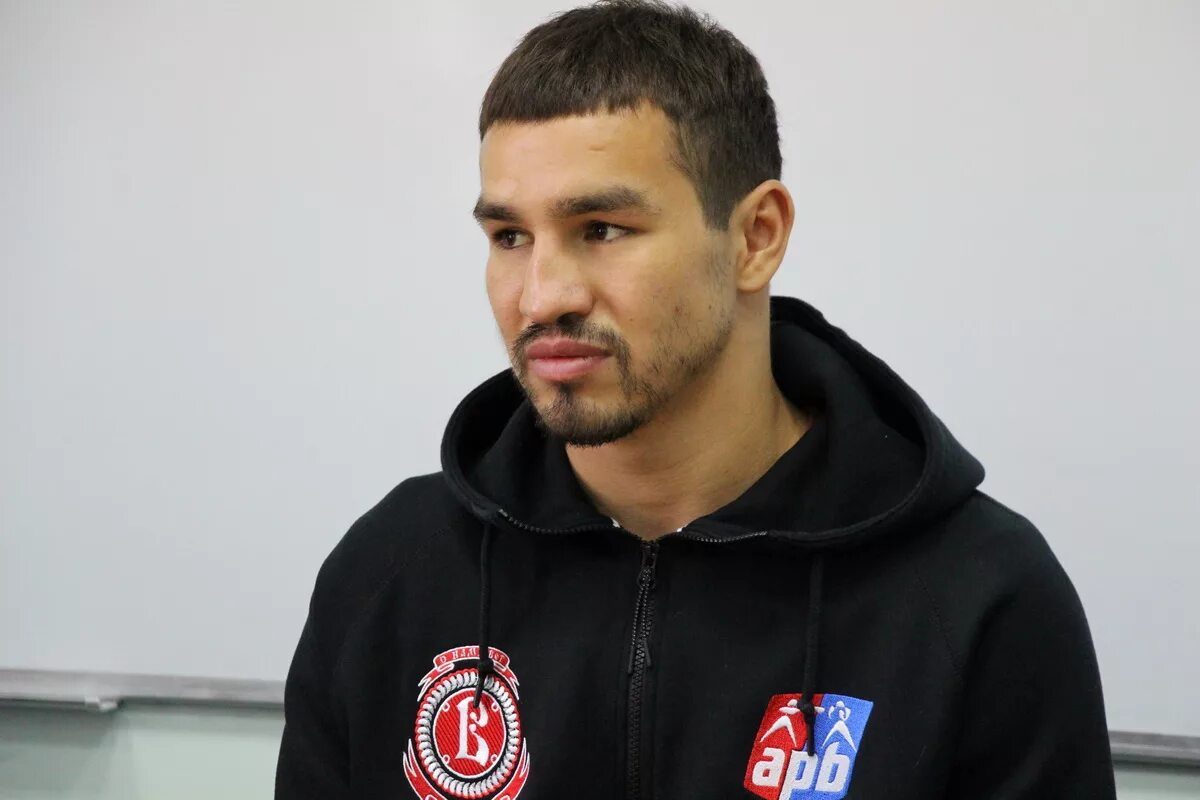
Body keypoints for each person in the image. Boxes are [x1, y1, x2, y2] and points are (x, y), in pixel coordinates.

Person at [275, 1, 1117, 798]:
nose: (541, 296)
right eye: (510, 237)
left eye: (602, 229)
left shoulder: (979, 595)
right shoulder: (394, 573)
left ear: (756, 237)